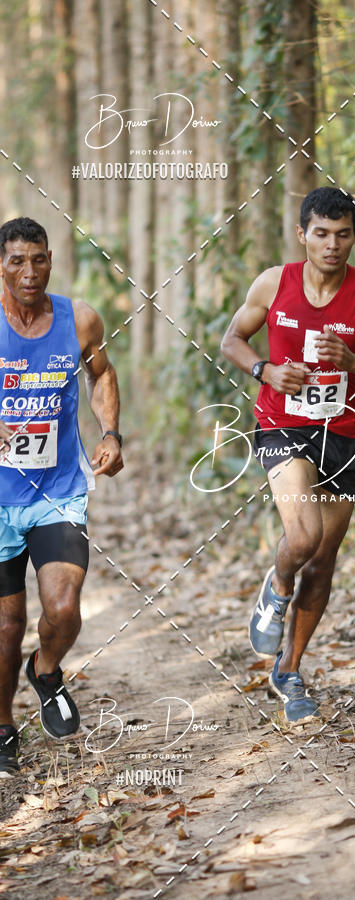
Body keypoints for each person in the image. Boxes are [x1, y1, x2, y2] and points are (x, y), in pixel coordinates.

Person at [221, 187, 355, 725]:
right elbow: (231, 339)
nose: (332, 245)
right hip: (283, 425)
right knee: (302, 538)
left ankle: (290, 669)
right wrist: (266, 371)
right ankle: (277, 585)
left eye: (343, 234)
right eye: (322, 233)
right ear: (302, 233)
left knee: (323, 559)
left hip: (345, 434)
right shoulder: (274, 283)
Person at [0, 217, 123, 777]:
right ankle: (3, 727)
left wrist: (111, 433)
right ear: (1, 264)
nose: (29, 272)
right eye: (16, 261)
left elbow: (101, 375)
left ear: (51, 259)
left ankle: (46, 672)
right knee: (4, 625)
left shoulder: (79, 320)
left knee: (63, 608)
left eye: (39, 259)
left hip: (57, 490)